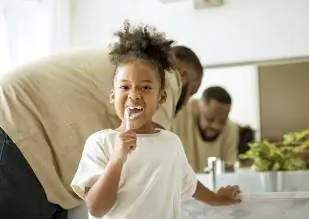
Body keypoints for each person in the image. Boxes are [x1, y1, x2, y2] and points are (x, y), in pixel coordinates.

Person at [0, 28, 203, 219]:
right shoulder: (163, 75)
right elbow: (152, 145)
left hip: (22, 130)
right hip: (16, 130)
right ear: (183, 76)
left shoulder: (127, 63)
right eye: (193, 90)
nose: (186, 103)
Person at [71, 21, 241, 219]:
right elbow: (97, 208)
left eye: (145, 87)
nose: (134, 95)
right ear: (112, 96)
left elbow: (190, 184)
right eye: (125, 87)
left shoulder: (171, 143)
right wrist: (118, 158)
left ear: (161, 98)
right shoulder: (100, 143)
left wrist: (217, 199)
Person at [172, 86, 239, 173]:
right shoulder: (181, 114)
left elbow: (229, 167)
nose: (216, 126)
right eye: (210, 119)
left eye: (222, 121)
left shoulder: (231, 129)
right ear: (199, 107)